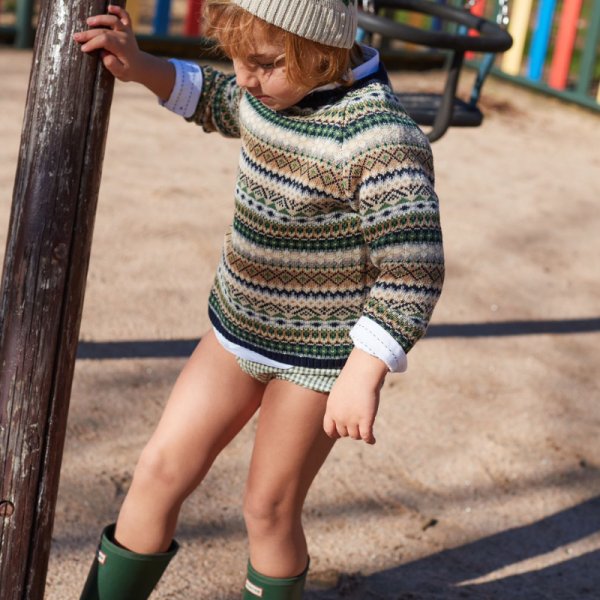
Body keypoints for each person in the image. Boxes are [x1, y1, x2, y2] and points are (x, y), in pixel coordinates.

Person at [73, 1, 444, 598]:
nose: (247, 78)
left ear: (323, 50)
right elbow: (219, 100)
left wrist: (365, 368)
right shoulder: (271, 90)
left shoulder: (379, 137)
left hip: (317, 361)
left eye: (265, 63)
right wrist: (141, 65)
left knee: (267, 508)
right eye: (239, 60)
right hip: (236, 330)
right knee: (159, 468)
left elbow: (413, 267)